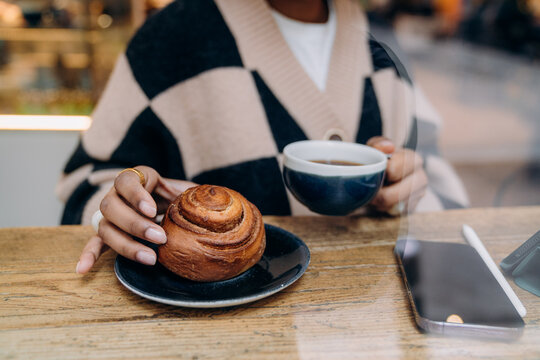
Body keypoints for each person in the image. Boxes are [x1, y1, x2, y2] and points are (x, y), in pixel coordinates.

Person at [56, 0, 469, 274]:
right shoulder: (170, 39)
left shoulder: (381, 42)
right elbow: (83, 187)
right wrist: (120, 212)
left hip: (375, 320)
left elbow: (443, 188)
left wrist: (408, 193)